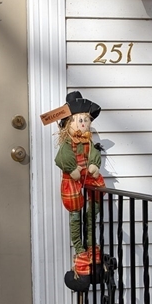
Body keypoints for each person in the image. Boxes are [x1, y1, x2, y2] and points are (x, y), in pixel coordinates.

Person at [54, 91, 105, 291]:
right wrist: (72, 169)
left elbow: (94, 154)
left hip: (89, 179)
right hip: (74, 181)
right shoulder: (68, 142)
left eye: (85, 120)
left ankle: (93, 252)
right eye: (78, 120)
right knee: (76, 216)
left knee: (92, 214)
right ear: (69, 123)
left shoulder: (88, 140)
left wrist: (94, 164)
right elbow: (61, 158)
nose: (83, 123)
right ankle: (81, 254)